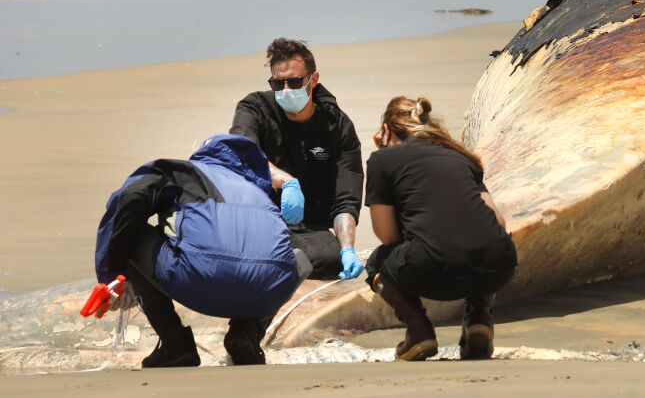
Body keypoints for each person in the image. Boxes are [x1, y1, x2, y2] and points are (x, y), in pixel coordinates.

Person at [93, 134, 302, 367]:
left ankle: (175, 344)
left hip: (201, 280)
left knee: (131, 231)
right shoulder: (257, 191)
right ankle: (246, 335)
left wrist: (110, 274)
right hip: (270, 293)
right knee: (296, 258)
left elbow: (130, 197)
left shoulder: (184, 171)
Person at [364, 96, 518, 361]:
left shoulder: (382, 160)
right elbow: (498, 223)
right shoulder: (461, 156)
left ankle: (418, 330)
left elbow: (387, 235)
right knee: (484, 238)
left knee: (376, 262)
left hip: (433, 270)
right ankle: (479, 317)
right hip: (498, 265)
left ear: (387, 130)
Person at [230, 38, 365, 280]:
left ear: (313, 79)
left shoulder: (337, 126)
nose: (285, 90)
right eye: (277, 83)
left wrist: (347, 248)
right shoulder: (255, 108)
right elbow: (242, 152)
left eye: (294, 81)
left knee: (332, 258)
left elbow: (346, 199)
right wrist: (285, 181)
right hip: (258, 219)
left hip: (309, 228)